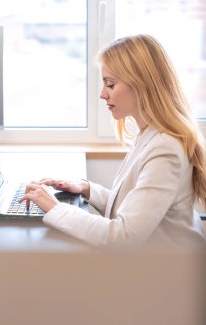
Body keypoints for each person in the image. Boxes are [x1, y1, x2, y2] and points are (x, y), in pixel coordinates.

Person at [19, 34, 206, 251]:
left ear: (141, 84)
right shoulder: (150, 135)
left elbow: (123, 236)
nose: (102, 94)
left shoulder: (165, 149)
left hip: (169, 273)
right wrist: (88, 189)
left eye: (110, 84)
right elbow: (134, 208)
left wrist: (54, 208)